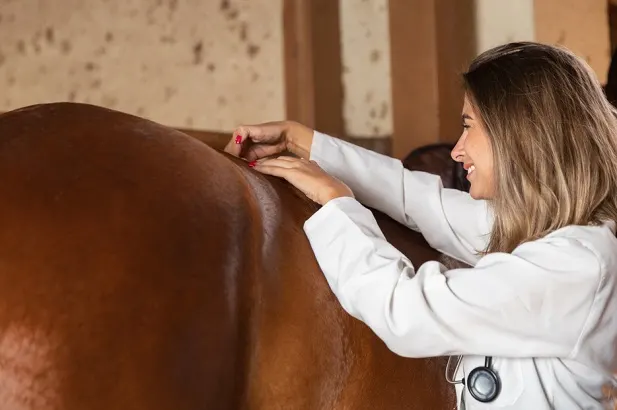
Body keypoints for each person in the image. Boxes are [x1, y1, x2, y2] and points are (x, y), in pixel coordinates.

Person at [223, 42, 617, 409]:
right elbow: (420, 201)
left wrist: (335, 204)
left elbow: (405, 311)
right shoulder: (553, 233)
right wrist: (305, 142)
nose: (458, 150)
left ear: (521, 135)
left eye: (468, 125)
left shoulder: (577, 266)